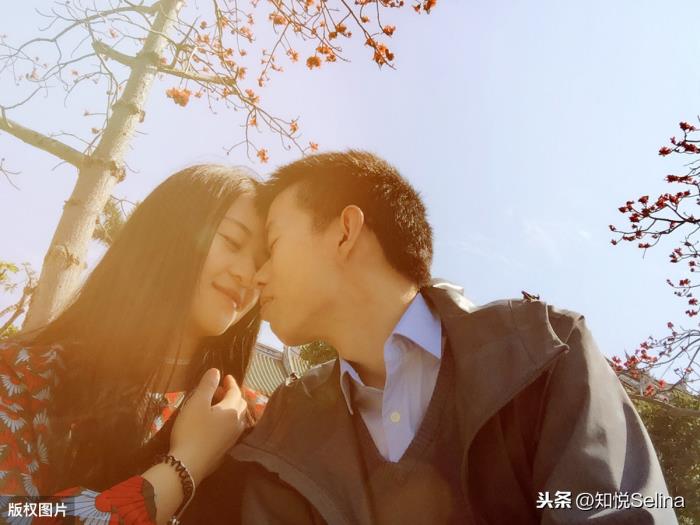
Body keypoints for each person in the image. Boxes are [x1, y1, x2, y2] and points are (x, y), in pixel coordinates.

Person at [205, 150, 676, 524]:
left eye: (274, 244)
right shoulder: (285, 427)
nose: (258, 276)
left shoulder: (544, 353)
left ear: (345, 232)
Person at [0, 164, 267, 524]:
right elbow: (13, 514)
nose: (247, 275)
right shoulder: (21, 376)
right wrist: (186, 463)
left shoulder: (249, 418)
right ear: (170, 233)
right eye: (232, 242)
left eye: (262, 264)